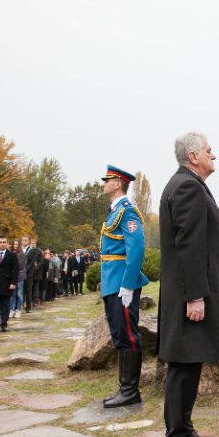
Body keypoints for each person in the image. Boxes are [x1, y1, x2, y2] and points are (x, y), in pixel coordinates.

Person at [159, 133, 219, 437]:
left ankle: (184, 429)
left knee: (190, 363)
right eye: (208, 150)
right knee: (183, 365)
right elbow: (189, 246)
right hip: (189, 296)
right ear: (193, 156)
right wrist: (195, 297)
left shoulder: (188, 183)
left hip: (190, 291)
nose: (213, 154)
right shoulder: (187, 187)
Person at [97, 165, 150, 408]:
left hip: (121, 283)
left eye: (107, 179)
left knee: (128, 334)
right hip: (112, 281)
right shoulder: (114, 211)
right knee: (119, 333)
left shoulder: (127, 211)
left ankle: (130, 391)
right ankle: (125, 389)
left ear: (118, 183)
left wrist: (128, 285)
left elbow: (136, 249)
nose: (103, 182)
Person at [20, 237, 41, 312]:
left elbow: (32, 262)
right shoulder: (19, 249)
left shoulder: (33, 250)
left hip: (28, 273)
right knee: (20, 290)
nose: (24, 241)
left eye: (26, 240)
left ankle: (28, 307)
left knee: (28, 290)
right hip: (20, 273)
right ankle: (20, 305)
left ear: (29, 241)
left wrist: (25, 270)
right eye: (23, 240)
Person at [9, 239, 26, 318]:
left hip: (19, 276)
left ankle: (18, 310)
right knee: (12, 294)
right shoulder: (9, 253)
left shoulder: (21, 254)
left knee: (19, 294)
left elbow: (20, 266)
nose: (15, 246)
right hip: (11, 277)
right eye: (14, 244)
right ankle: (11, 310)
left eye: (17, 244)